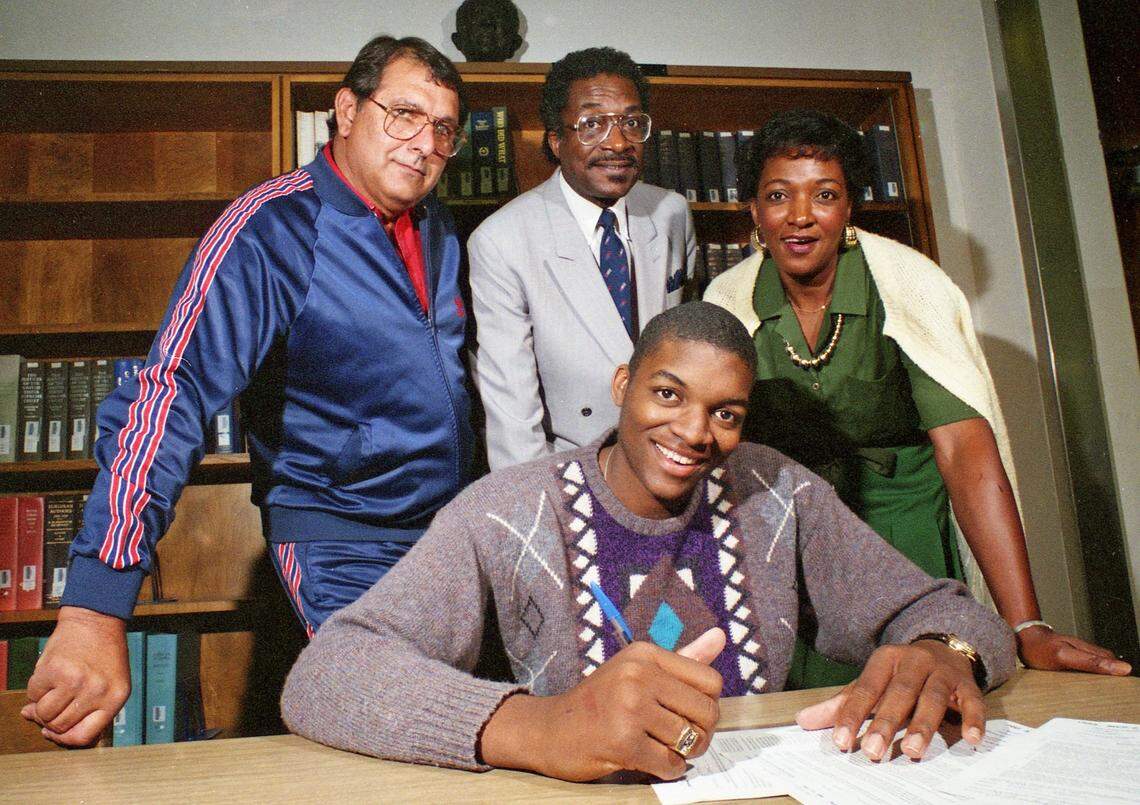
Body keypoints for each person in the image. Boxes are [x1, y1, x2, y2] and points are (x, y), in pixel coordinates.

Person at [281, 301, 1016, 781]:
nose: (694, 432)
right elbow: (328, 673)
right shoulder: (506, 511)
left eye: (725, 413)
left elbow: (956, 614)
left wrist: (943, 651)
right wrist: (542, 728)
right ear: (621, 385)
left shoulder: (776, 492)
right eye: (668, 394)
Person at [22, 35, 475, 747]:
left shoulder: (437, 225)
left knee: (446, 741)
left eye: (443, 129)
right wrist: (94, 606)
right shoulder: (271, 227)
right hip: (339, 540)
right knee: (401, 731)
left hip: (446, 541)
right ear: (347, 111)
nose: (424, 144)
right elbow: (168, 396)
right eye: (404, 115)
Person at [704, 109, 1130, 688]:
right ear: (754, 210)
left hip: (904, 529)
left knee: (921, 695)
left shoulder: (909, 286)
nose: (800, 216)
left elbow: (965, 453)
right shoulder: (727, 300)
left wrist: (1027, 625)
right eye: (779, 196)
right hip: (790, 540)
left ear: (849, 209)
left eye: (824, 194)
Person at [469, 46, 697, 470]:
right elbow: (513, 419)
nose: (618, 142)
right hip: (571, 469)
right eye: (592, 125)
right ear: (556, 141)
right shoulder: (501, 240)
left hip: (671, 459)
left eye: (631, 123)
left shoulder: (671, 212)